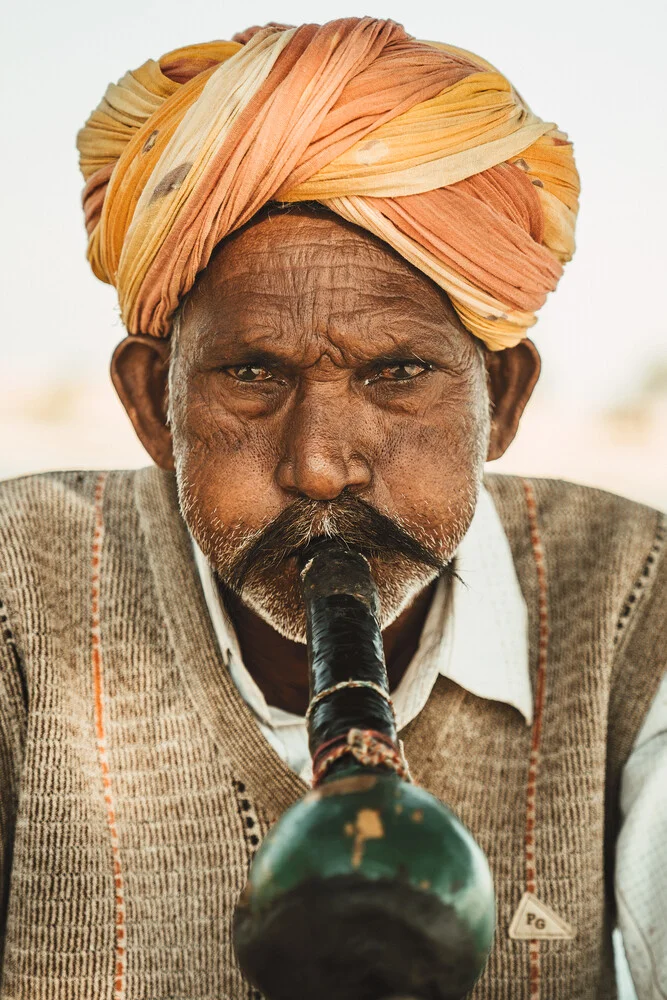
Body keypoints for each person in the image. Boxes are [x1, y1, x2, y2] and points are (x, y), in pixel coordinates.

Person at [0, 17, 664, 1000]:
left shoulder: (634, 594)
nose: (318, 466)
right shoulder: (17, 587)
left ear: (503, 401)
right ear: (152, 404)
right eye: (251, 375)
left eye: (398, 374)